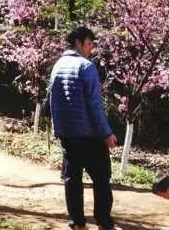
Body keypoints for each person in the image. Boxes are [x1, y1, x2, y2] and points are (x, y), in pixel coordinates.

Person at [48, 26, 119, 230]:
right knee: (102, 179)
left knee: (73, 179)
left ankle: (77, 222)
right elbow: (95, 104)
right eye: (89, 44)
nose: (91, 48)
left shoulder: (58, 65)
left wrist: (58, 129)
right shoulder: (86, 67)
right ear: (78, 43)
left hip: (67, 134)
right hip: (89, 134)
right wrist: (106, 133)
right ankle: (104, 221)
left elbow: (52, 101)